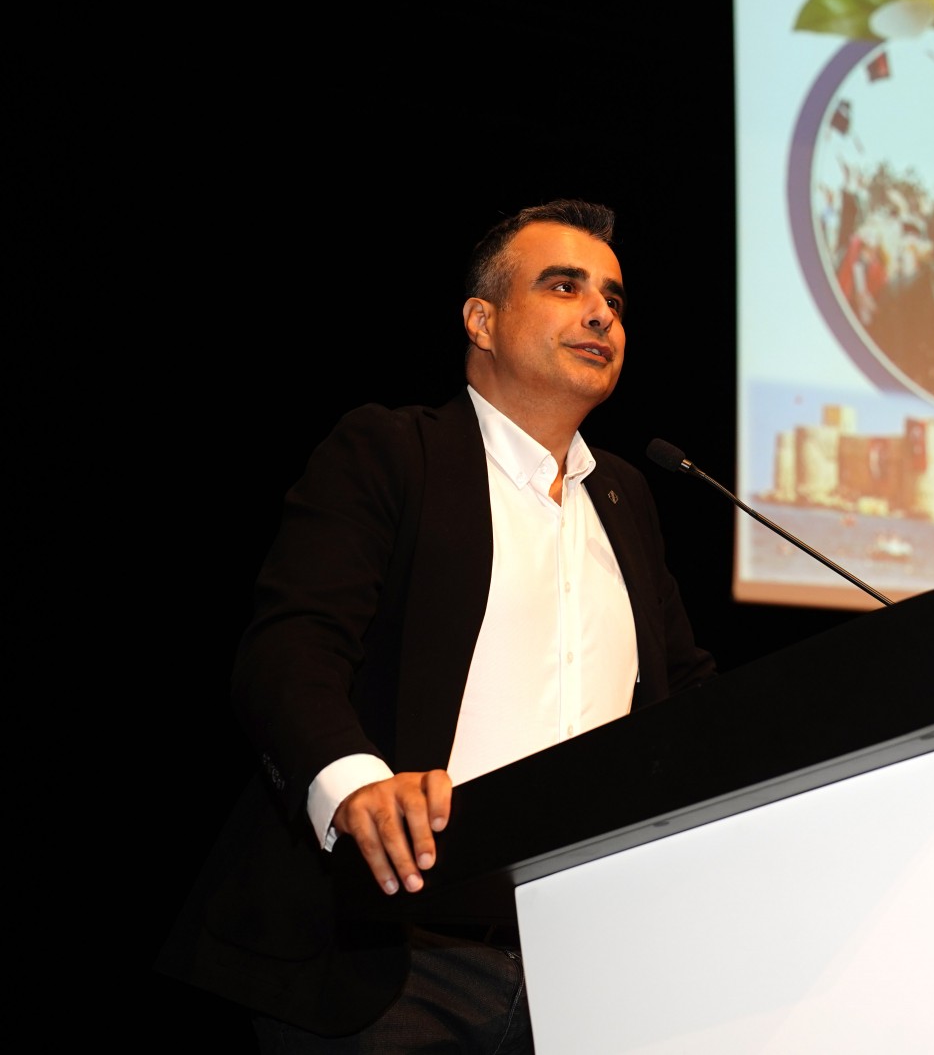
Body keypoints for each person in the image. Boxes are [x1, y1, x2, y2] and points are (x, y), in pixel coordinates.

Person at [160, 200, 715, 1049]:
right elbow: (291, 647)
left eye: (613, 297)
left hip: (588, 966)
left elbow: (689, 693)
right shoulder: (393, 451)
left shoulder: (625, 497)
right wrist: (355, 786)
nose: (601, 313)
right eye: (564, 286)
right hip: (396, 959)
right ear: (481, 321)